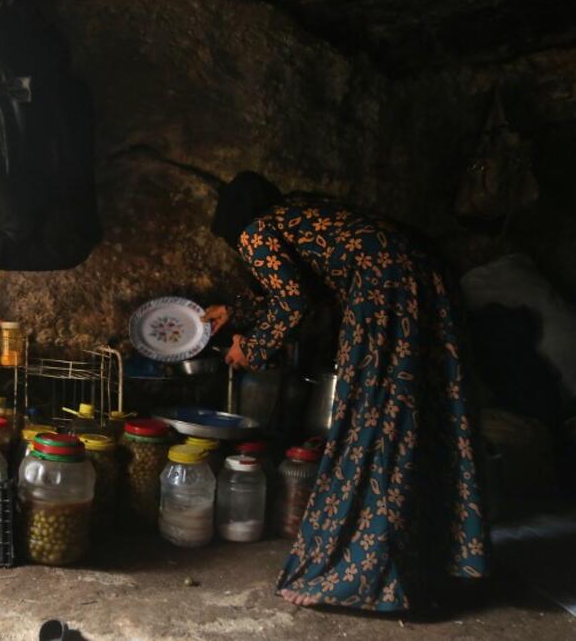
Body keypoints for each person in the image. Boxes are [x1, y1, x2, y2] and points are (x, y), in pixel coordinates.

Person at [204, 171, 488, 612]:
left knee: (375, 423)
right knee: (424, 417)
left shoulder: (255, 229)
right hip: (427, 282)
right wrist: (236, 309)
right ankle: (444, 559)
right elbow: (306, 285)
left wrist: (252, 348)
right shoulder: (300, 213)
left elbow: (293, 301)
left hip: (387, 294)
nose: (243, 249)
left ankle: (359, 574)